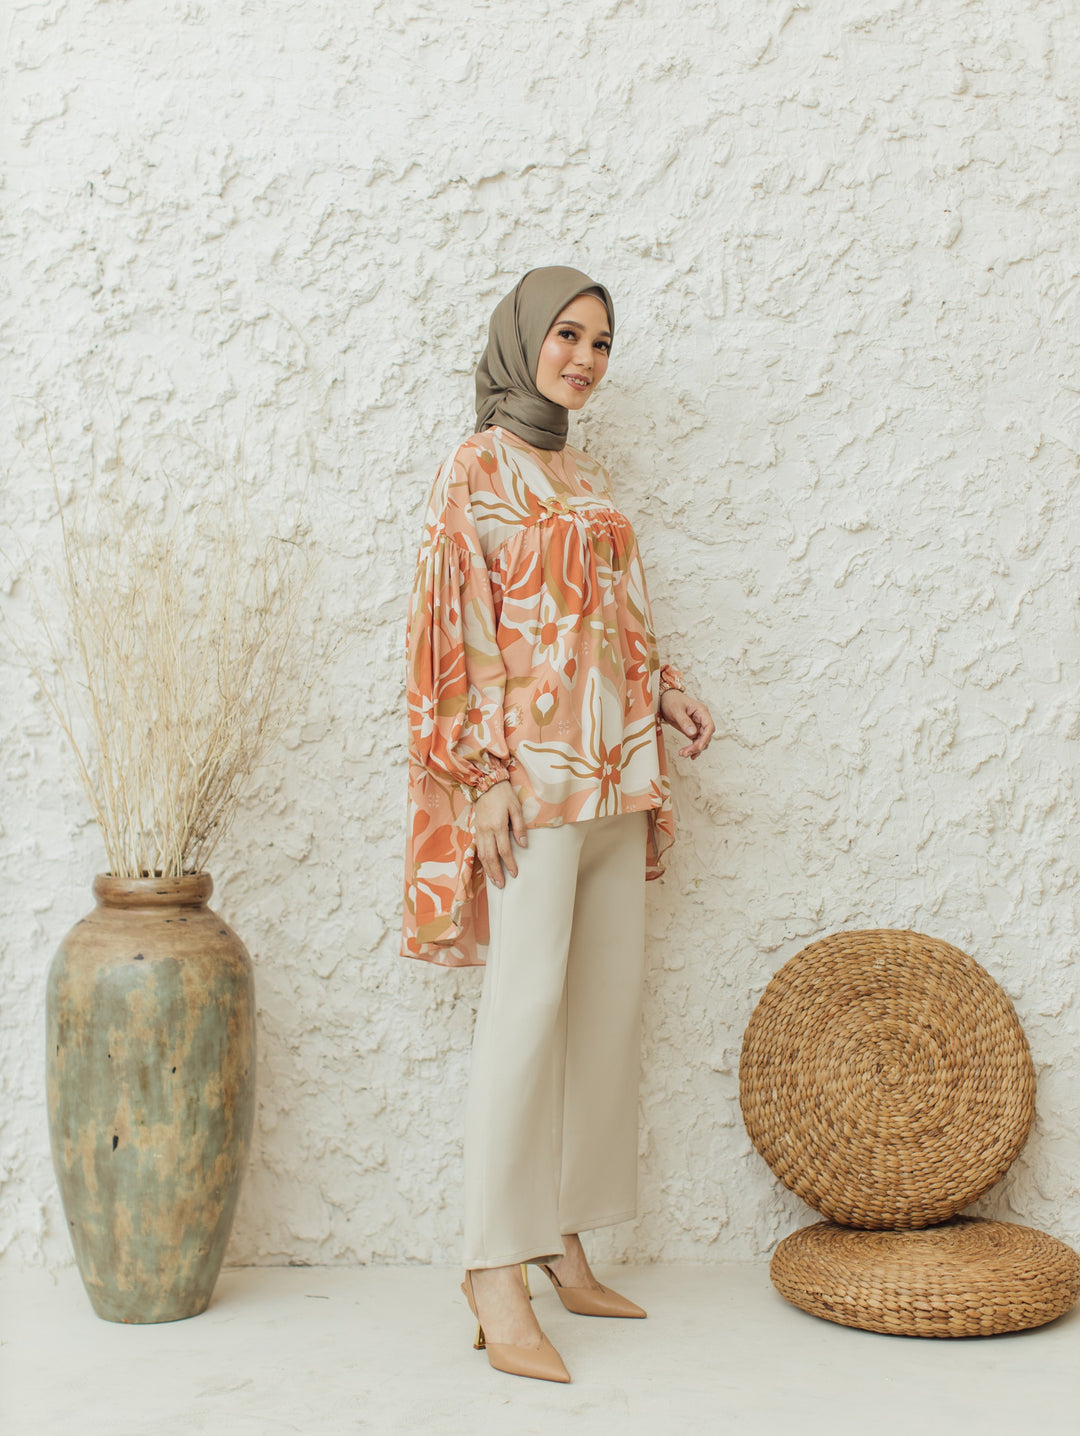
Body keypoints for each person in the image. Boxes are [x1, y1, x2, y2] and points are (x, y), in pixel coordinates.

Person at [401, 266, 714, 1383]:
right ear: (524, 337)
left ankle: (563, 1238)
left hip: (616, 767)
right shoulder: (475, 467)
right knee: (526, 1010)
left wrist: (663, 691)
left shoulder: (587, 473)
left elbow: (616, 613)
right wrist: (480, 774)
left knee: (602, 1006)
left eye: (602, 342)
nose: (584, 357)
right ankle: (493, 1264)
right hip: (531, 781)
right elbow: (453, 627)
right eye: (568, 334)